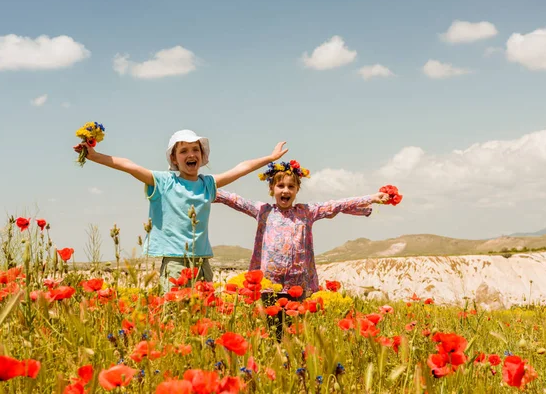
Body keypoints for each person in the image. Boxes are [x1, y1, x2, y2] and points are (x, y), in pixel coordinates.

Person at [74, 130, 288, 291]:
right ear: (174, 159)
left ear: (202, 156)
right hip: (175, 263)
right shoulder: (164, 181)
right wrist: (94, 155)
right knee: (176, 316)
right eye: (183, 151)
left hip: (203, 262)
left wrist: (269, 159)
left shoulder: (208, 183)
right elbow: (129, 166)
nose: (191, 154)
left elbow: (241, 168)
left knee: (204, 318)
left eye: (195, 149)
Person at [214, 159, 390, 338]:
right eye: (280, 185)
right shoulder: (263, 211)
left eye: (291, 186)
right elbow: (235, 200)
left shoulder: (306, 212)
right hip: (269, 286)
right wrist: (206, 190)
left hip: (297, 285)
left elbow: (337, 205)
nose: (285, 190)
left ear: (297, 190)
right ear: (272, 189)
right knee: (273, 332)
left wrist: (372, 198)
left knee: (293, 333)